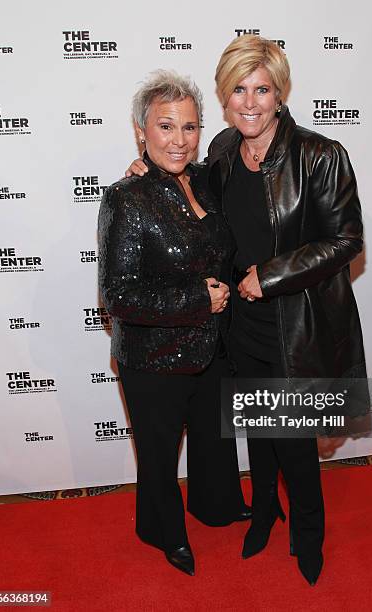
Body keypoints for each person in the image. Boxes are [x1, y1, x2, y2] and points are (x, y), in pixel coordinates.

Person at [126, 35, 367, 586]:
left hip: (296, 324)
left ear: (280, 94)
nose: (251, 102)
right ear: (225, 95)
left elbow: (346, 240)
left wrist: (272, 274)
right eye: (239, 89)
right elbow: (189, 190)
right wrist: (144, 168)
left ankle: (309, 538)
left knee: (294, 444)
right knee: (257, 435)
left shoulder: (320, 155)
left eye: (263, 89)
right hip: (239, 327)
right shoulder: (221, 152)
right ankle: (262, 517)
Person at [98, 70, 250, 577]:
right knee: (160, 455)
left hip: (213, 346)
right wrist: (194, 299)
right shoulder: (127, 197)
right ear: (142, 130)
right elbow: (117, 295)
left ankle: (218, 505)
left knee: (214, 439)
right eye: (165, 127)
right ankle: (162, 531)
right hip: (154, 356)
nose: (178, 140)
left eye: (189, 127)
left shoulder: (207, 178)